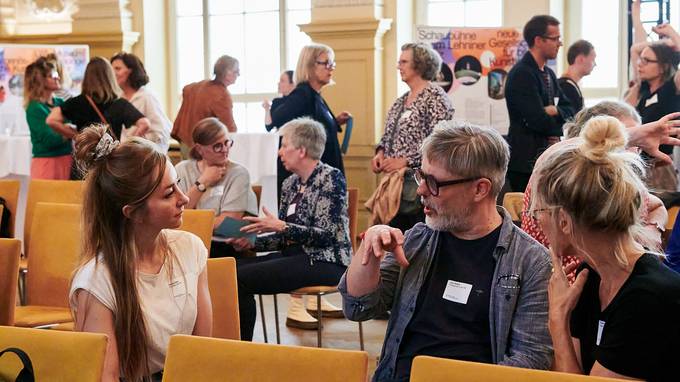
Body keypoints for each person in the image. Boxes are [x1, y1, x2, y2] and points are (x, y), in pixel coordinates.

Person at [341, 121, 553, 382]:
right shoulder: (419, 239)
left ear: (480, 189)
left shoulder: (530, 261)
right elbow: (358, 308)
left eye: (433, 182)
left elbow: (531, 359)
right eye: (421, 175)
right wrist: (369, 253)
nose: (420, 190)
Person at [533, 116, 680, 380]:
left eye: (540, 211)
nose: (535, 219)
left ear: (564, 221)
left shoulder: (649, 297)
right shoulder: (591, 277)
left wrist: (557, 321)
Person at [69, 124, 212, 382]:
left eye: (178, 185)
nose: (184, 199)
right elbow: (106, 377)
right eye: (169, 194)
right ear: (132, 212)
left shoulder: (190, 249)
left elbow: (202, 353)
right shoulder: (96, 281)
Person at [228, 117, 352, 339]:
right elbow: (286, 238)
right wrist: (253, 243)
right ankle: (227, 342)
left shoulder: (331, 179)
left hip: (327, 261)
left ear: (302, 150)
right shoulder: (290, 184)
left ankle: (241, 346)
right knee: (228, 270)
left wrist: (282, 226)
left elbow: (326, 236)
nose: (280, 152)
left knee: (239, 279)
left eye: (284, 146)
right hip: (296, 257)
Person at [522, 101, 671, 282]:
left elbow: (656, 205)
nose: (635, 151)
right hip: (556, 290)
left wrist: (650, 233)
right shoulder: (556, 179)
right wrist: (634, 135)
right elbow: (552, 156)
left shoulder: (615, 186)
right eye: (619, 137)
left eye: (637, 144)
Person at [370, 42, 454, 232]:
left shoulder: (435, 97)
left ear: (420, 64)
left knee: (416, 237)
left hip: (418, 183)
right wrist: (380, 153)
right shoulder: (401, 100)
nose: (398, 66)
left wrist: (406, 161)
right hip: (395, 184)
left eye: (404, 62)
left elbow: (439, 142)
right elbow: (388, 132)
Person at [266, 43, 351, 196]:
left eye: (332, 63)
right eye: (326, 63)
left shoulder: (315, 95)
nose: (330, 67)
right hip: (311, 185)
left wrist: (334, 122)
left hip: (323, 178)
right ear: (309, 65)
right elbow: (278, 120)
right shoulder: (302, 95)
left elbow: (314, 126)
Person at [505, 15, 575, 192]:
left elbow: (570, 109)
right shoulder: (522, 74)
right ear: (538, 40)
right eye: (555, 38)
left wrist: (555, 110)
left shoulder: (549, 74)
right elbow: (537, 120)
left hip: (545, 158)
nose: (559, 43)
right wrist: (555, 118)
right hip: (526, 162)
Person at [175, 117, 258, 258]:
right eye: (217, 146)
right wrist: (202, 182)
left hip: (224, 245)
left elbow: (228, 222)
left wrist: (189, 222)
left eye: (227, 142)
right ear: (200, 149)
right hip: (188, 243)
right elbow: (178, 210)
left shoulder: (238, 173)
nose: (225, 149)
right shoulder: (182, 169)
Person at [626, 4, 680, 191]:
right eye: (641, 60)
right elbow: (635, 48)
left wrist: (673, 36)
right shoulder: (642, 90)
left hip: (660, 172)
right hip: (635, 170)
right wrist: (636, 13)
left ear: (663, 66)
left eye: (647, 61)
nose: (640, 64)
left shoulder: (672, 88)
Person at [46, 57, 150, 141]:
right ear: (109, 77)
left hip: (85, 160)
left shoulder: (77, 102)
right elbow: (144, 123)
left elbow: (51, 120)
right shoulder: (119, 103)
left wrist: (77, 136)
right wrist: (130, 144)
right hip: (109, 161)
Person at [172, 55, 239, 149]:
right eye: (236, 71)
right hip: (202, 144)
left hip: (185, 139)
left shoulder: (197, 86)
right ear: (227, 73)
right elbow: (229, 127)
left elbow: (186, 89)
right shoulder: (221, 93)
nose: (238, 75)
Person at [111, 52, 172, 152]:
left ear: (131, 71)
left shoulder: (147, 96)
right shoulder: (117, 98)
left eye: (118, 69)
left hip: (145, 156)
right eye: (111, 69)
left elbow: (161, 131)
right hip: (125, 156)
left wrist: (138, 143)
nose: (113, 73)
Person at [23, 57, 72, 179]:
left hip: (67, 160)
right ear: (40, 80)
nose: (58, 78)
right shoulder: (34, 108)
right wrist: (69, 130)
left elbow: (73, 127)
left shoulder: (60, 102)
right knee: (45, 198)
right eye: (52, 75)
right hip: (47, 163)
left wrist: (62, 129)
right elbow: (50, 140)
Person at [558, 40, 596, 112]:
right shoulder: (566, 87)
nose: (595, 64)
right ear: (580, 59)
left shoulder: (571, 86)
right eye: (593, 60)